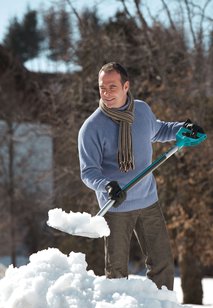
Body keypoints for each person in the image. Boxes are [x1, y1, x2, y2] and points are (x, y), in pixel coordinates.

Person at [78, 62, 204, 290]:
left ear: (126, 86)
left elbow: (159, 130)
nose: (106, 93)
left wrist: (182, 128)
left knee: (162, 264)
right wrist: (106, 186)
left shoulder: (142, 111)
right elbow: (88, 171)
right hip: (116, 207)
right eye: (102, 87)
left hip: (148, 201)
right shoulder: (91, 128)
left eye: (112, 86)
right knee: (116, 272)